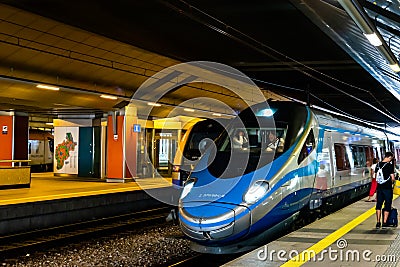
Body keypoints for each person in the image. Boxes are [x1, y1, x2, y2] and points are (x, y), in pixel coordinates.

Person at [375, 152, 395, 228]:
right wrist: (393, 181)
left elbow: (376, 177)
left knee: (378, 205)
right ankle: (384, 222)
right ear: (389, 157)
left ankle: (378, 222)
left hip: (379, 188)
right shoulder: (390, 166)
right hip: (387, 188)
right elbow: (392, 178)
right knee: (387, 205)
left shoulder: (378, 165)